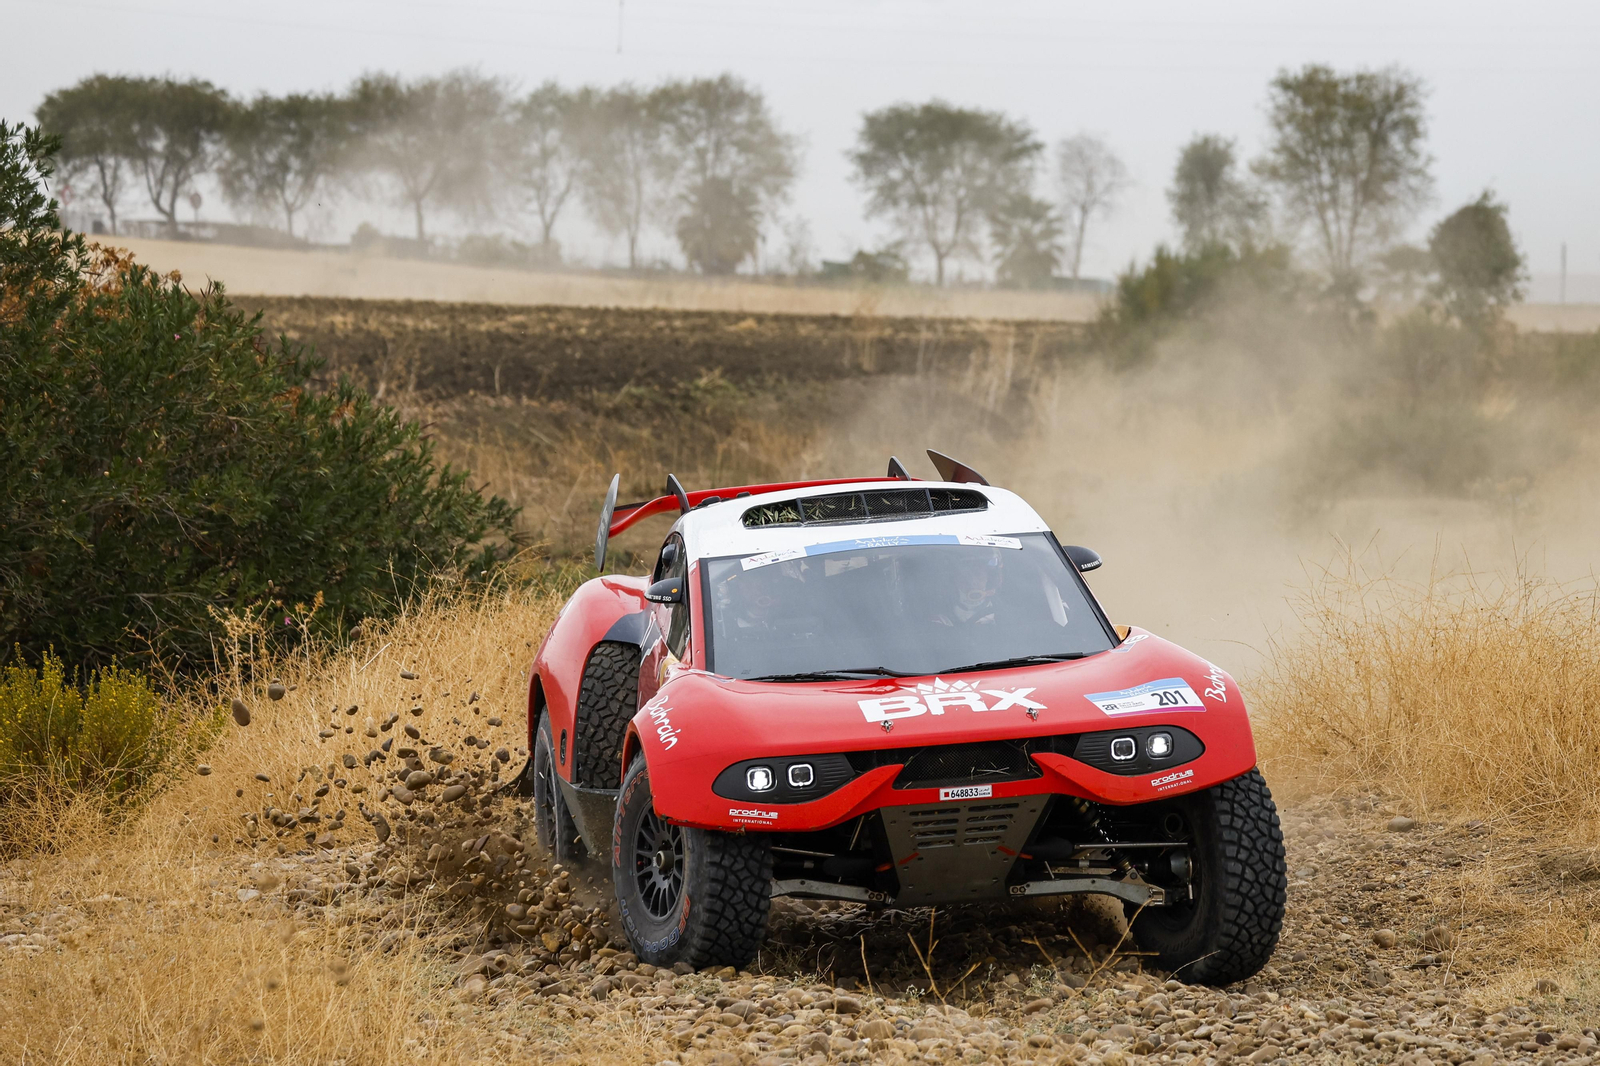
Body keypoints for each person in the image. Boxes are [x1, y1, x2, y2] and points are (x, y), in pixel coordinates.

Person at [931, 548, 1004, 627]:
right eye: (965, 577)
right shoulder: (938, 616)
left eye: (978, 575)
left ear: (988, 579)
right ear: (954, 580)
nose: (972, 582)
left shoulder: (1003, 616)